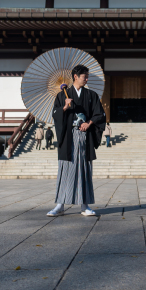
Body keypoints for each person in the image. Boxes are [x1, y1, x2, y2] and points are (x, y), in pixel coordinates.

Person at [47, 65, 106, 217]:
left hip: (84, 137)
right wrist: (65, 107)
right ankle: (60, 205)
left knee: (84, 169)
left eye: (87, 76)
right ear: (75, 77)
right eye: (84, 76)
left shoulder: (91, 95)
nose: (86, 79)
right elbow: (55, 114)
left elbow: (99, 114)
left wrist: (89, 123)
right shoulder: (62, 96)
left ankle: (84, 205)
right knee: (65, 169)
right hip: (68, 137)